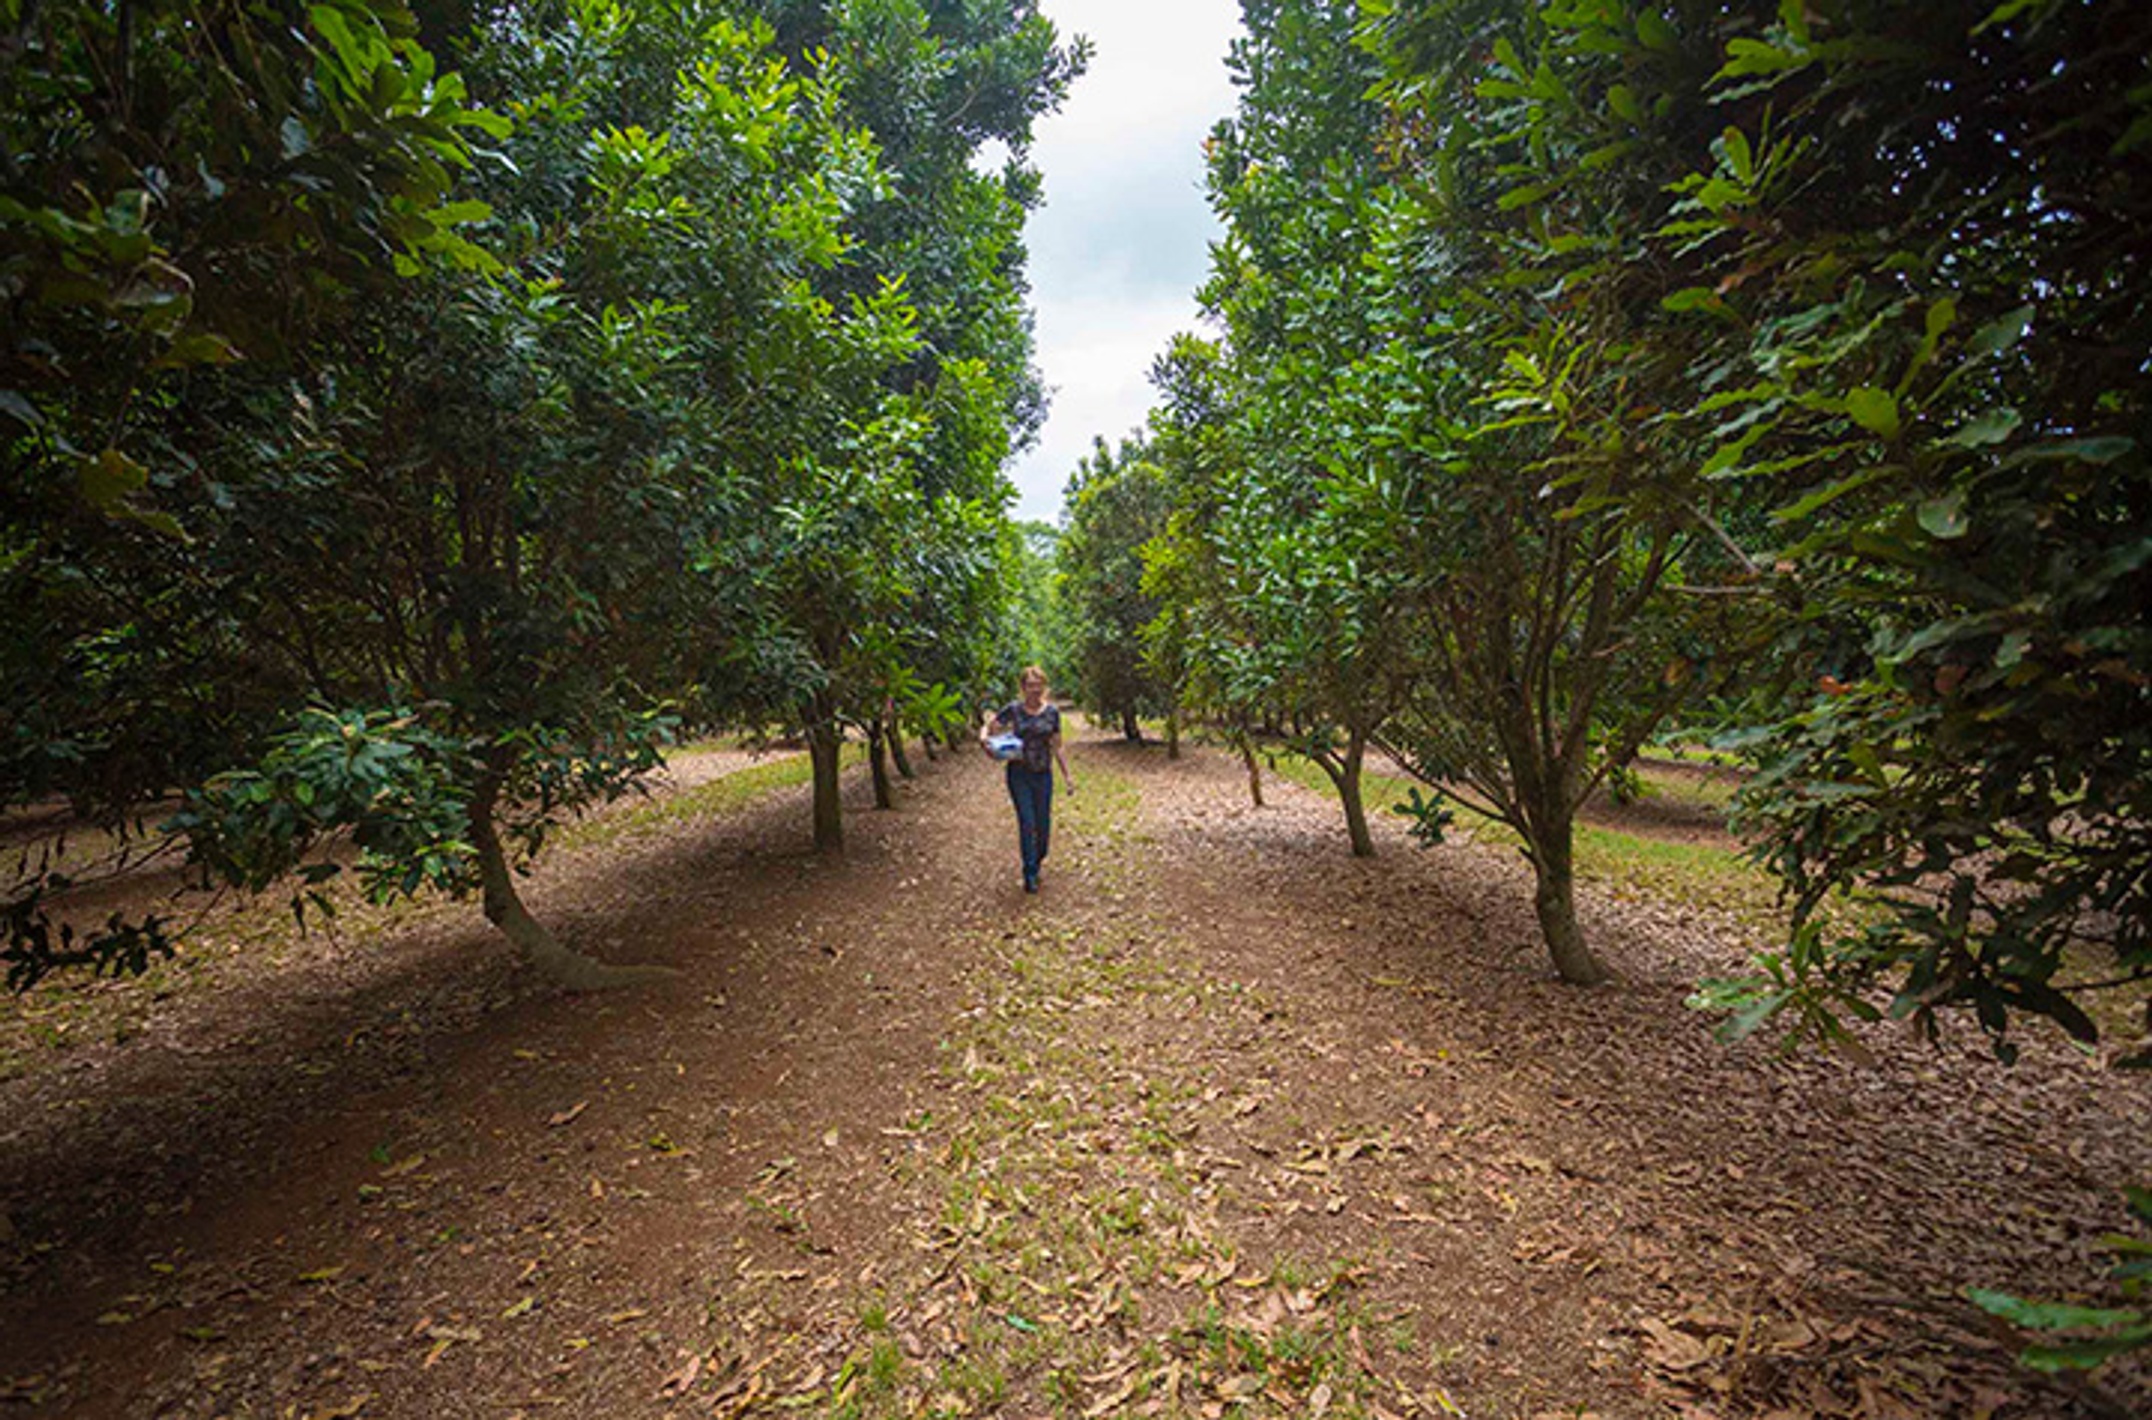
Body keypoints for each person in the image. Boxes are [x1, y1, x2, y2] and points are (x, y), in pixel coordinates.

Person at [981, 665, 1075, 893]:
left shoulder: (1052, 712)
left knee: (1042, 826)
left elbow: (1057, 744)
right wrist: (984, 738)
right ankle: (1029, 873)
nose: (1034, 689)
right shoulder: (1014, 709)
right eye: (1029, 685)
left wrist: (1068, 775)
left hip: (1043, 774)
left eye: (1038, 684)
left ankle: (1038, 856)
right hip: (1019, 773)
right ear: (1022, 688)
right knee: (1027, 821)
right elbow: (992, 726)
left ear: (1044, 686)